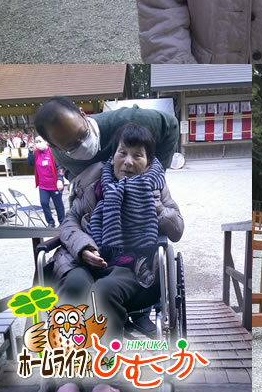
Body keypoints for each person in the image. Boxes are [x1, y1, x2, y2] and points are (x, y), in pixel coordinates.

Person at [51, 123, 184, 341]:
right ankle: (71, 355)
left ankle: (108, 358)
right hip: (88, 260)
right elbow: (69, 222)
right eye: (122, 153)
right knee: (74, 286)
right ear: (113, 156)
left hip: (132, 267)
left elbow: (177, 229)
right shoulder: (94, 182)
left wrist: (158, 209)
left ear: (148, 162)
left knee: (104, 292)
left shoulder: (156, 186)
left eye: (137, 155)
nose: (128, 161)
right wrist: (83, 247)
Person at [35, 97, 179, 181]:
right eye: (72, 146)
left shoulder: (130, 120)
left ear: (83, 114)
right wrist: (79, 182)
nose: (83, 145)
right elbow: (66, 170)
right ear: (56, 147)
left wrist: (155, 172)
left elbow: (171, 125)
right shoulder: (59, 154)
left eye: (83, 134)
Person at [33, 135, 65, 228]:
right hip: (43, 185)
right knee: (44, 202)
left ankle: (62, 221)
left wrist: (60, 179)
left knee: (58, 204)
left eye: (40, 141)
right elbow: (30, 163)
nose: (38, 144)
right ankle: (50, 222)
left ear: (46, 142)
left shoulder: (52, 152)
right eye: (36, 142)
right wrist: (31, 152)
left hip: (54, 184)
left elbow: (60, 167)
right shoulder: (36, 153)